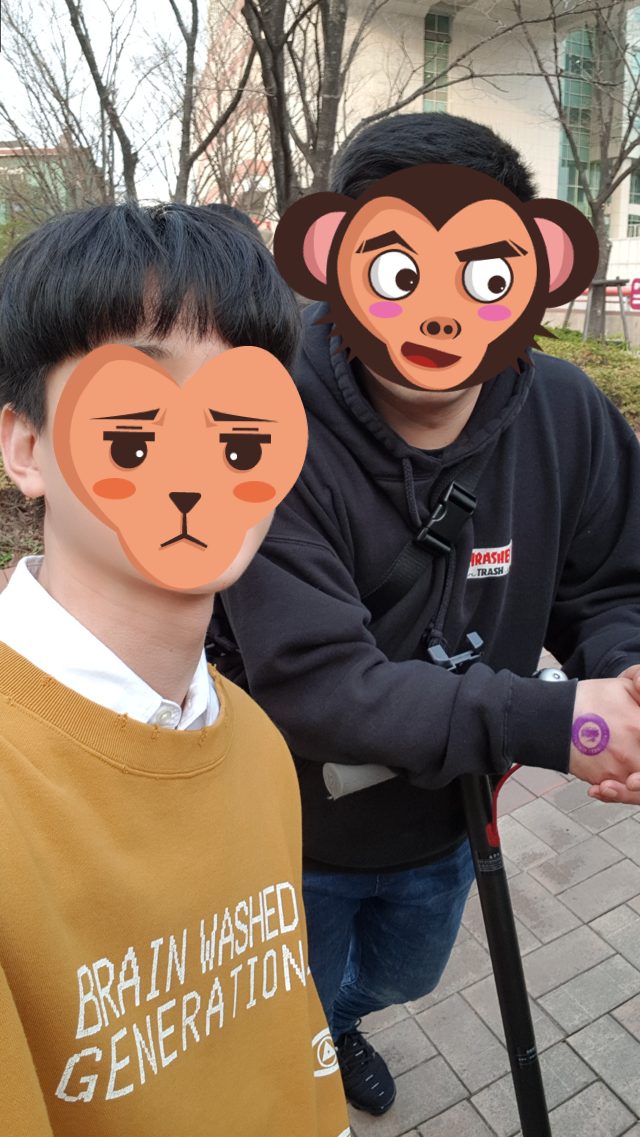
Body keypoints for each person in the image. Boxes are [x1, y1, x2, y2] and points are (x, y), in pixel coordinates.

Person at [208, 112, 640, 1117]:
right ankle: (309, 1049)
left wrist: (624, 677)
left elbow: (612, 582)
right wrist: (571, 726)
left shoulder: (566, 413)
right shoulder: (263, 425)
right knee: (282, 1011)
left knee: (405, 973)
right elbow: (317, 681)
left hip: (451, 815)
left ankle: (343, 1021)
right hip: (288, 828)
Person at [0, 202, 349, 1137]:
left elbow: (293, 1034)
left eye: (240, 430)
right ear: (27, 448)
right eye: (136, 428)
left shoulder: (255, 743)